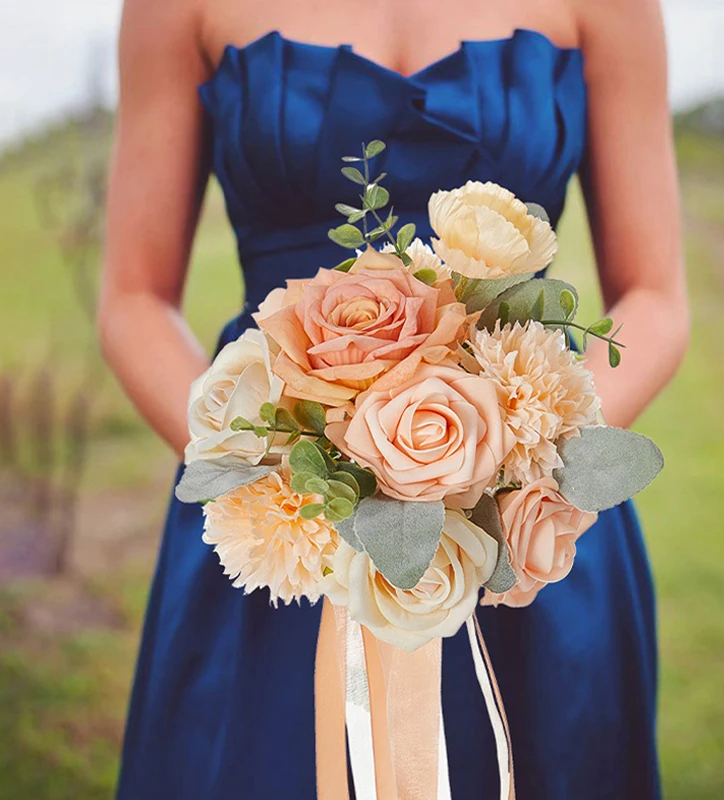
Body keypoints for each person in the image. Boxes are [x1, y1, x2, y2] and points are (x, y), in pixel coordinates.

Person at [100, 0, 689, 797]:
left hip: (530, 522)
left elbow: (655, 297)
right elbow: (133, 298)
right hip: (281, 515)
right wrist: (283, 475)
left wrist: (509, 467)